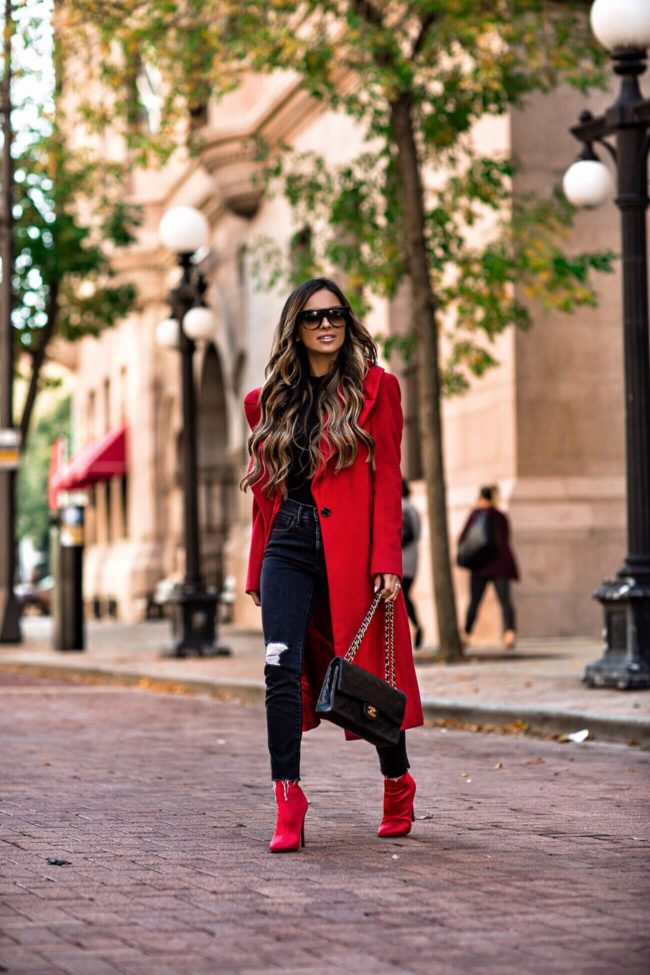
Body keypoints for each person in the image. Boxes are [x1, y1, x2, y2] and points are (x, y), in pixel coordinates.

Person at [240, 277, 423, 853]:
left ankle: (397, 780)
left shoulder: (377, 389)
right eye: (314, 317)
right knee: (280, 668)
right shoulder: (266, 402)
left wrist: (387, 560)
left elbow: (389, 478)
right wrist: (255, 570)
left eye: (336, 315)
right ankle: (287, 795)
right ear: (295, 327)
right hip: (287, 545)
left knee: (369, 675)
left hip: (352, 551)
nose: (326, 324)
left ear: (348, 323)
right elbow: (264, 496)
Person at [459, 485, 519, 649]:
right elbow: (505, 539)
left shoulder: (475, 515)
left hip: (479, 566)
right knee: (505, 601)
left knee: (474, 601)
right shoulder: (500, 516)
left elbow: (464, 538)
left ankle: (466, 634)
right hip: (500, 565)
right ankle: (509, 633)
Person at [401, 479, 423, 649]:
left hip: (402, 560)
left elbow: (404, 534)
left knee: (402, 597)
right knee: (405, 596)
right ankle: (415, 626)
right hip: (412, 560)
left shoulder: (402, 507)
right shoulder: (413, 508)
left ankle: (414, 627)